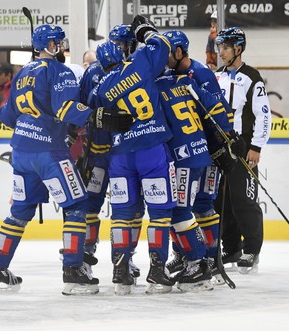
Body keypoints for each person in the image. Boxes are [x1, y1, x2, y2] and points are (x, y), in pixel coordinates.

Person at [0, 24, 132, 296]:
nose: (61, 47)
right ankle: (73, 271)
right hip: (49, 152)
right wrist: (97, 116)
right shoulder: (60, 71)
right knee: (76, 205)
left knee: (19, 211)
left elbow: (7, 116)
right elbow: (66, 108)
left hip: (21, 152)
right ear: (51, 45)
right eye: (59, 42)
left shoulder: (22, 73)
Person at [87, 16, 179, 295]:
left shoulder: (100, 88)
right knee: (160, 214)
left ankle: (120, 273)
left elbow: (92, 117)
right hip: (151, 149)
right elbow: (162, 45)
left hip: (120, 157)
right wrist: (145, 31)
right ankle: (157, 270)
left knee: (122, 215)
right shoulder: (139, 63)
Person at [162, 29, 239, 285]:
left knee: (202, 206)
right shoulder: (170, 75)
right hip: (192, 151)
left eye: (167, 52)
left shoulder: (200, 73)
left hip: (207, 152)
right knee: (190, 207)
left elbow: (220, 110)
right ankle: (188, 256)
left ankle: (207, 257)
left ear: (180, 52)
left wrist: (225, 141)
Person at [214, 27, 272, 274]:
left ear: (238, 49)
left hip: (243, 150)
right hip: (219, 151)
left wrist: (256, 146)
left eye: (225, 47)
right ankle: (232, 247)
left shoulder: (252, 77)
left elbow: (264, 115)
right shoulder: (217, 76)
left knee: (244, 200)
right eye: (219, 47)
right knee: (220, 202)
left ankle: (252, 250)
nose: (221, 52)